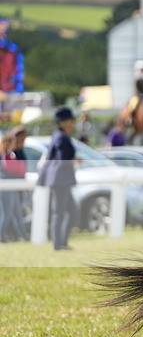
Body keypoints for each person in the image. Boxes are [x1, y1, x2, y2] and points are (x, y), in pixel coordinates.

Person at [37, 107, 79, 251]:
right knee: (60, 212)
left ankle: (61, 242)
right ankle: (58, 244)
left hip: (59, 179)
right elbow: (63, 160)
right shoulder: (61, 137)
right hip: (60, 180)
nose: (72, 123)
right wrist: (74, 160)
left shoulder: (58, 135)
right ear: (65, 122)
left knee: (67, 212)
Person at [1, 132, 28, 241]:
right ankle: (2, 236)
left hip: (12, 186)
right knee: (6, 214)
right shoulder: (4, 156)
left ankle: (23, 235)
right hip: (6, 187)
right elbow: (15, 169)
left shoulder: (10, 155)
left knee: (16, 212)